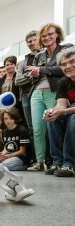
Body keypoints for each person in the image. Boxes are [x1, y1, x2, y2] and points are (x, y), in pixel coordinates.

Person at [26, 23, 73, 171]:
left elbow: (62, 69)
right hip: (38, 92)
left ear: (57, 34)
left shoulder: (66, 49)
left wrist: (41, 69)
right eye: (44, 36)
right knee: (41, 126)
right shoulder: (39, 55)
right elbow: (33, 76)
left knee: (65, 121)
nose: (47, 38)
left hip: (54, 91)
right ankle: (46, 162)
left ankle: (66, 162)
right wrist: (34, 74)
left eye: (50, 34)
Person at [43, 47, 75, 177]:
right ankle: (58, 162)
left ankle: (70, 164)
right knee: (53, 118)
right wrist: (51, 112)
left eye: (72, 62)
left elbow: (66, 110)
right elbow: (61, 104)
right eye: (63, 64)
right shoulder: (63, 81)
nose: (68, 66)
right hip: (70, 110)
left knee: (73, 118)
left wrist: (64, 111)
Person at [15, 30, 40, 134]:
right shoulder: (22, 62)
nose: (32, 43)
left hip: (40, 93)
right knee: (31, 127)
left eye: (35, 40)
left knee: (44, 126)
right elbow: (17, 81)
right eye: (29, 41)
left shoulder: (46, 56)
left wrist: (39, 72)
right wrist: (31, 75)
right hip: (25, 95)